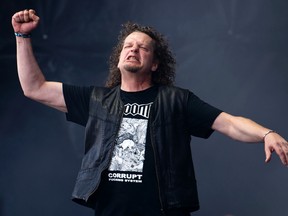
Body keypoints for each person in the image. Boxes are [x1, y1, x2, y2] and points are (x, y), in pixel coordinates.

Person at [12, 9, 288, 216]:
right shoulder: (96, 100)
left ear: (155, 64)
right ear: (119, 57)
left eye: (142, 47)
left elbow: (229, 123)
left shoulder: (176, 101)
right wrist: (22, 36)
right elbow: (34, 88)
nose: (133, 49)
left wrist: (267, 132)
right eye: (128, 45)